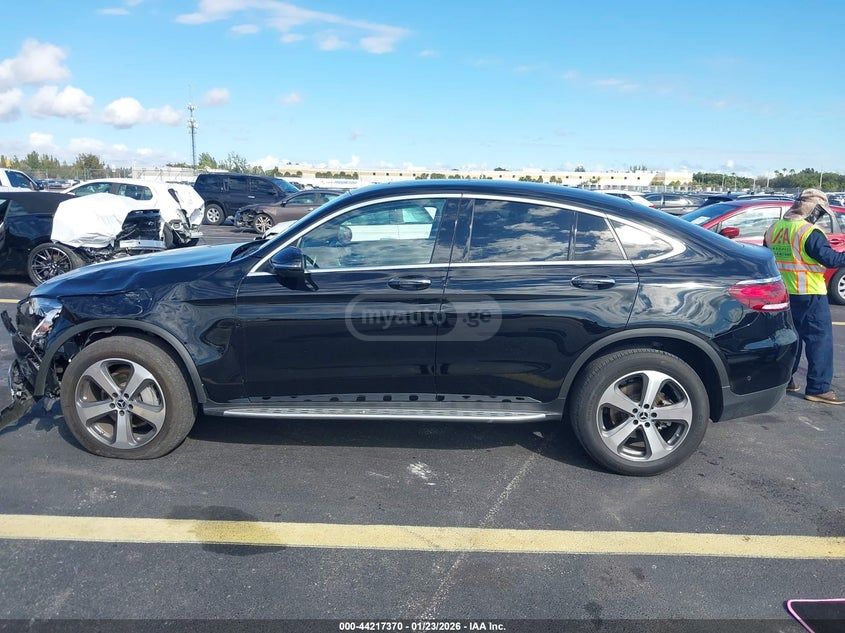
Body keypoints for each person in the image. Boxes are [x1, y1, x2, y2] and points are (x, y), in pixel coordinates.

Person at [764, 188, 845, 404]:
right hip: (809, 294)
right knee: (819, 342)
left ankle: (786, 379)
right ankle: (818, 388)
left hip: (783, 293)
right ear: (814, 210)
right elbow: (831, 260)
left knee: (790, 339)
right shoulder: (809, 232)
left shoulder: (775, 228)